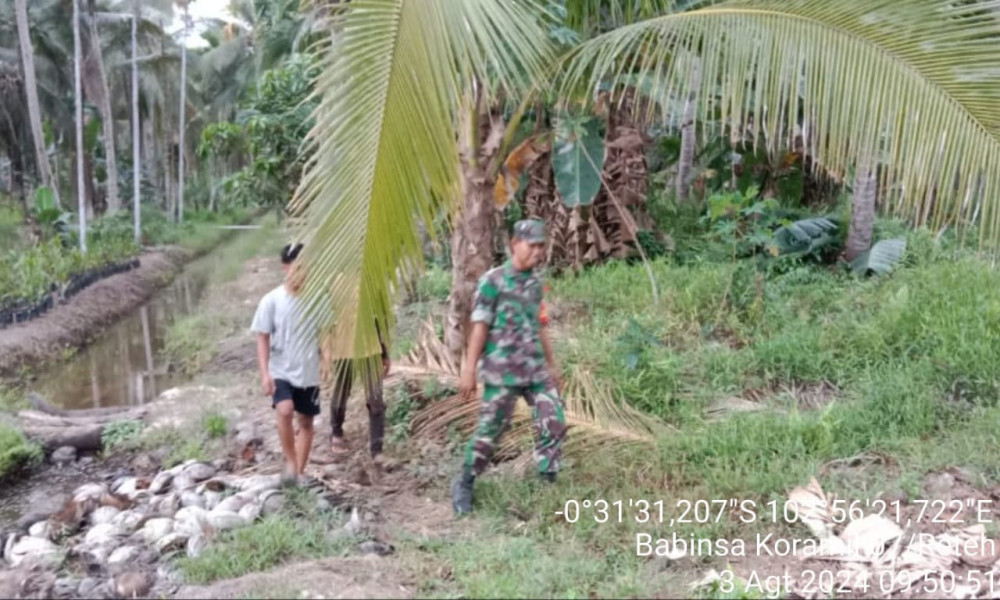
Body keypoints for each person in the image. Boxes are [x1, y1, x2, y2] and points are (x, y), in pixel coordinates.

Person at [451, 218, 567, 516]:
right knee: (491, 431)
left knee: (554, 419)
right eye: (532, 245)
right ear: (515, 244)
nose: (537, 252)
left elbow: (540, 326)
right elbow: (479, 328)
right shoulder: (493, 281)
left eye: (541, 246)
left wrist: (552, 365)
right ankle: (465, 482)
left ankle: (547, 480)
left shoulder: (535, 284)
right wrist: (469, 370)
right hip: (502, 372)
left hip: (535, 370)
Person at [251, 242, 323, 486]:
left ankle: (298, 473)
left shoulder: (318, 299)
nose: (301, 272)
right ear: (285, 267)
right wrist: (265, 374)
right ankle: (291, 461)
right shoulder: (271, 300)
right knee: (284, 409)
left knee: (306, 422)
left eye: (305, 267)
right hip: (281, 369)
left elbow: (327, 333)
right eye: (296, 267)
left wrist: (328, 360)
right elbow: (262, 337)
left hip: (309, 370)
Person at [328, 322, 393, 466]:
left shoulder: (368, 304)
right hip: (343, 350)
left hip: (370, 350)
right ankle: (336, 432)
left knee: (376, 400)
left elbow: (377, 321)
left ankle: (377, 451)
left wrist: (384, 353)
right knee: (341, 393)